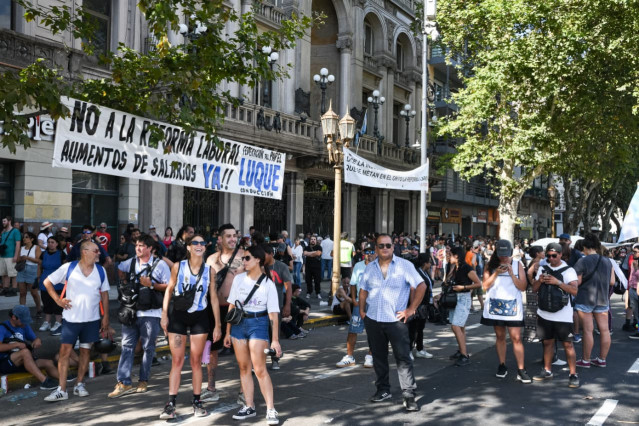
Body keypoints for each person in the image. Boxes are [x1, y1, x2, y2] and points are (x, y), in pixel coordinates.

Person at [359, 234, 426, 412]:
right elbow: (363, 289)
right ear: (376, 248)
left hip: (396, 321)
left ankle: (409, 395)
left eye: (388, 245)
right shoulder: (370, 268)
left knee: (403, 358)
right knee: (379, 358)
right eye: (381, 246)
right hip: (373, 319)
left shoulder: (405, 266)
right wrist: (361, 310)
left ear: (393, 247)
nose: (385, 248)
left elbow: (421, 285)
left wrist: (411, 309)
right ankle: (383, 390)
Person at [159, 234, 221, 419]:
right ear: (188, 247)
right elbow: (169, 290)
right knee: (177, 361)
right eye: (195, 243)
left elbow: (214, 299)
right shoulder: (178, 266)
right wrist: (164, 315)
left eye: (202, 243)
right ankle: (171, 403)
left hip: (200, 318)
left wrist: (217, 325)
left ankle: (197, 401)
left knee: (196, 362)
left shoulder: (210, 270)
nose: (199, 245)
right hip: (178, 315)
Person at [43, 240, 112, 401]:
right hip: (71, 320)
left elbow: (105, 294)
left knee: (85, 351)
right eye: (96, 251)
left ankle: (79, 384)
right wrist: (58, 301)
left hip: (92, 320)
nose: (99, 253)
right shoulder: (69, 268)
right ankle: (62, 389)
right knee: (64, 353)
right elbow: (47, 282)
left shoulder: (101, 270)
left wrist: (106, 317)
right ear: (84, 252)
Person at [224, 245, 282, 425]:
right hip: (238, 325)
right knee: (243, 367)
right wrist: (227, 332)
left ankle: (271, 409)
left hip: (259, 323)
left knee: (259, 369)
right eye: (243, 259)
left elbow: (273, 315)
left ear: (258, 259)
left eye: (247, 258)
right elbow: (232, 306)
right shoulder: (239, 279)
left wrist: (275, 340)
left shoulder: (268, 284)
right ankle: (249, 406)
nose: (244, 262)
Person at [108, 234, 171, 398]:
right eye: (137, 245)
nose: (138, 248)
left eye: (142, 245)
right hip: (131, 311)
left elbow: (169, 287)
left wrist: (151, 284)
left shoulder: (160, 265)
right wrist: (125, 282)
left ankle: (143, 380)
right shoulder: (131, 262)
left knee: (148, 347)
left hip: (151, 313)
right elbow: (120, 268)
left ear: (150, 248)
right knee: (127, 346)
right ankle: (124, 382)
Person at [204, 223, 244, 403]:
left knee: (241, 350)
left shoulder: (245, 257)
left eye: (234, 235)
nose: (232, 239)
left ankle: (244, 391)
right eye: (228, 236)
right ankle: (211, 388)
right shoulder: (211, 259)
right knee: (212, 350)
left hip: (237, 310)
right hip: (214, 310)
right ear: (220, 239)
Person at [480, 240, 531, 383]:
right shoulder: (490, 265)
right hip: (496, 307)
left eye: (506, 255)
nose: (504, 258)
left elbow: (523, 287)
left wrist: (512, 274)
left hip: (513, 307)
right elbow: (484, 286)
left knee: (516, 338)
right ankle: (502, 364)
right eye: (501, 255)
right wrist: (496, 272)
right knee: (500, 336)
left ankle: (521, 369)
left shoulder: (517, 264)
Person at [532, 243, 580, 388]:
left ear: (560, 255)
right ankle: (547, 371)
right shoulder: (543, 268)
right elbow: (534, 289)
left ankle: (573, 374)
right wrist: (539, 281)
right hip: (544, 313)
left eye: (554, 255)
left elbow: (575, 291)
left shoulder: (568, 270)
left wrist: (557, 282)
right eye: (548, 256)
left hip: (563, 315)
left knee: (567, 344)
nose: (551, 258)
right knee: (547, 342)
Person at [573, 233, 614, 368]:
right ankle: (602, 359)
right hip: (602, 299)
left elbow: (576, 282)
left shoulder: (582, 261)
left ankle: (585, 360)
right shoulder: (607, 261)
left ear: (585, 246)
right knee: (605, 330)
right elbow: (612, 281)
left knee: (588, 331)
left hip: (585, 298)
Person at [0, 305, 60, 390]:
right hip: (6, 362)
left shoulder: (24, 326)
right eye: (22, 320)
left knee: (48, 362)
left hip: (24, 361)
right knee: (25, 352)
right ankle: (44, 381)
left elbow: (35, 338)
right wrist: (16, 345)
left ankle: (63, 381)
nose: (24, 323)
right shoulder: (2, 328)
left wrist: (37, 340)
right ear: (14, 317)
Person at [336, 242, 376, 368]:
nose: (368, 255)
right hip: (360, 303)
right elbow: (353, 283)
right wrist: (353, 299)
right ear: (363, 253)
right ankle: (349, 356)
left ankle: (370, 355)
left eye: (371, 252)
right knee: (353, 330)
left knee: (373, 331)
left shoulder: (379, 266)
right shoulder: (358, 266)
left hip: (374, 304)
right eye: (366, 252)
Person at [446, 246, 482, 366]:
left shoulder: (466, 267)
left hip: (463, 298)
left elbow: (478, 283)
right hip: (454, 298)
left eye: (450, 254)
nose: (448, 256)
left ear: (456, 256)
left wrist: (464, 287)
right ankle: (461, 350)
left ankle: (464, 355)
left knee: (456, 326)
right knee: (459, 327)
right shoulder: (453, 267)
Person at [39, 236, 67, 335]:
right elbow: (40, 266)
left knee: (57, 303)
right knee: (46, 302)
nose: (50, 244)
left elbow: (65, 268)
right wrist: (37, 278)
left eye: (52, 242)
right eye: (49, 242)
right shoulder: (43, 254)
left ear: (57, 244)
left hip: (58, 282)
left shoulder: (61, 254)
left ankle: (58, 322)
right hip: (45, 280)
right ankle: (47, 322)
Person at [408, 253, 434, 359]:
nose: (431, 264)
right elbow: (412, 289)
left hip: (424, 304)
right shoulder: (417, 272)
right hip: (417, 304)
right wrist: (412, 306)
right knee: (413, 328)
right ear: (425, 263)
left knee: (420, 328)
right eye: (429, 261)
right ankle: (409, 350)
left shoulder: (424, 272)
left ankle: (420, 349)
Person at [17, 232, 42, 317]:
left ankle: (39, 309)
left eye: (26, 237)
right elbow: (17, 260)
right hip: (22, 270)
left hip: (32, 270)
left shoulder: (36, 247)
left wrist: (27, 258)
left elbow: (39, 261)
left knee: (34, 293)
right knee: (22, 293)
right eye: (24, 237)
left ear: (32, 239)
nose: (24, 239)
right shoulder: (22, 248)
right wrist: (20, 259)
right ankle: (22, 311)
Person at [0, 216, 21, 297]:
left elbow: (18, 244)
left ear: (9, 221)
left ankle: (14, 290)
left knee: (13, 274)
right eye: (2, 221)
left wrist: (16, 256)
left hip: (11, 256)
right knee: (4, 273)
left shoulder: (15, 231)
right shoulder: (4, 231)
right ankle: (6, 289)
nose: (3, 223)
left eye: (4, 221)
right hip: (3, 255)